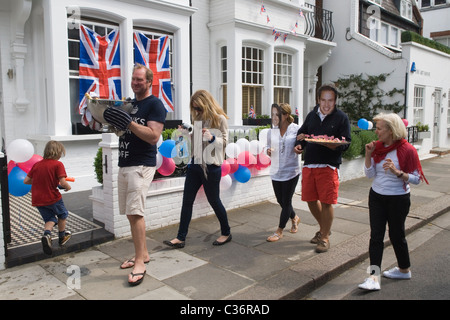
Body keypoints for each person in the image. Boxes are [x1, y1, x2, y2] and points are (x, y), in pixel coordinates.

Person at [103, 63, 166, 286]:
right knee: (130, 214)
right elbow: (122, 130)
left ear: (149, 82)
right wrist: (107, 119)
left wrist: (128, 121)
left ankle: (140, 261)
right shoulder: (130, 104)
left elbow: (153, 136)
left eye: (140, 79)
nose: (135, 82)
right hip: (125, 162)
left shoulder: (154, 104)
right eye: (133, 79)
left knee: (136, 212)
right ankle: (144, 253)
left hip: (141, 164)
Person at [358, 113, 428, 291]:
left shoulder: (408, 150)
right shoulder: (377, 148)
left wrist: (398, 172)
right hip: (377, 197)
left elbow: (417, 178)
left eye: (380, 128)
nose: (377, 132)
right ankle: (373, 277)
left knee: (397, 235)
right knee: (376, 237)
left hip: (398, 199)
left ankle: (404, 270)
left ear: (391, 130)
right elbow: (369, 175)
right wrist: (368, 154)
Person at [164, 89, 231, 248]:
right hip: (195, 164)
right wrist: (184, 135)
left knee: (214, 201)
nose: (197, 111)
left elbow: (226, 143)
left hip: (211, 167)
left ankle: (226, 232)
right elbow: (194, 146)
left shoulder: (220, 119)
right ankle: (180, 238)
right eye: (194, 108)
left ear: (206, 104)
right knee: (187, 201)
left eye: (199, 108)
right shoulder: (197, 120)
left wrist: (212, 137)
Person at [294, 83, 351, 253]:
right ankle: (325, 228)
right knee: (310, 200)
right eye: (323, 100)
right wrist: (299, 144)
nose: (326, 104)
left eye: (330, 100)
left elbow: (346, 142)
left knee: (327, 202)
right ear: (318, 100)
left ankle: (324, 237)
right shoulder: (312, 116)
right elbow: (302, 134)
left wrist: (336, 146)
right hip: (310, 163)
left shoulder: (341, 118)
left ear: (335, 101)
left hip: (329, 165)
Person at [24, 140, 72, 255]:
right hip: (52, 197)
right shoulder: (57, 164)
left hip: (38, 199)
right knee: (62, 214)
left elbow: (26, 181)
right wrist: (67, 187)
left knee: (50, 219)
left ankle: (47, 235)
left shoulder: (37, 165)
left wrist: (42, 181)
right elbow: (63, 182)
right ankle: (62, 237)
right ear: (57, 152)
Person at [265, 103, 301, 242]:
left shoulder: (296, 129)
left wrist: (300, 147)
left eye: (277, 115)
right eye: (272, 114)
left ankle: (279, 231)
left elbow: (302, 144)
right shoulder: (272, 131)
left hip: (291, 171)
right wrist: (267, 150)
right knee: (281, 201)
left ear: (285, 115)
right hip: (276, 171)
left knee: (286, 201)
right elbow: (267, 145)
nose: (274, 117)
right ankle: (295, 218)